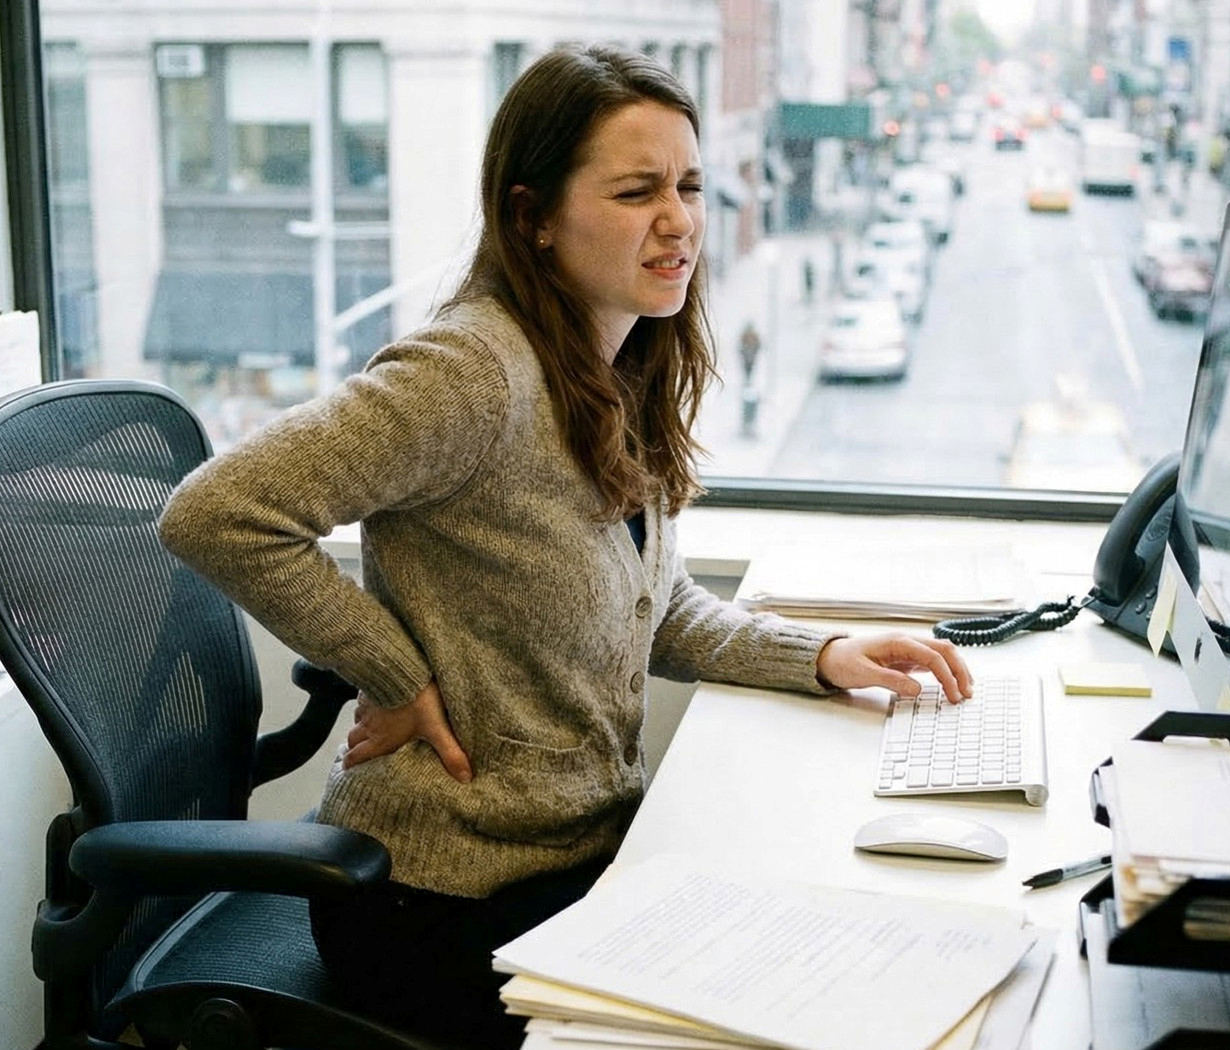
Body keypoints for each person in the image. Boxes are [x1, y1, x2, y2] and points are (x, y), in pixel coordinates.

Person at [158, 43, 974, 1050]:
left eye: (687, 185)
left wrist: (817, 657)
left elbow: (657, 605)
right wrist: (393, 672)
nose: (676, 219)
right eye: (636, 191)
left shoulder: (611, 360)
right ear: (532, 218)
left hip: (571, 857)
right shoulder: (469, 375)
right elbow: (213, 510)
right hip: (438, 899)